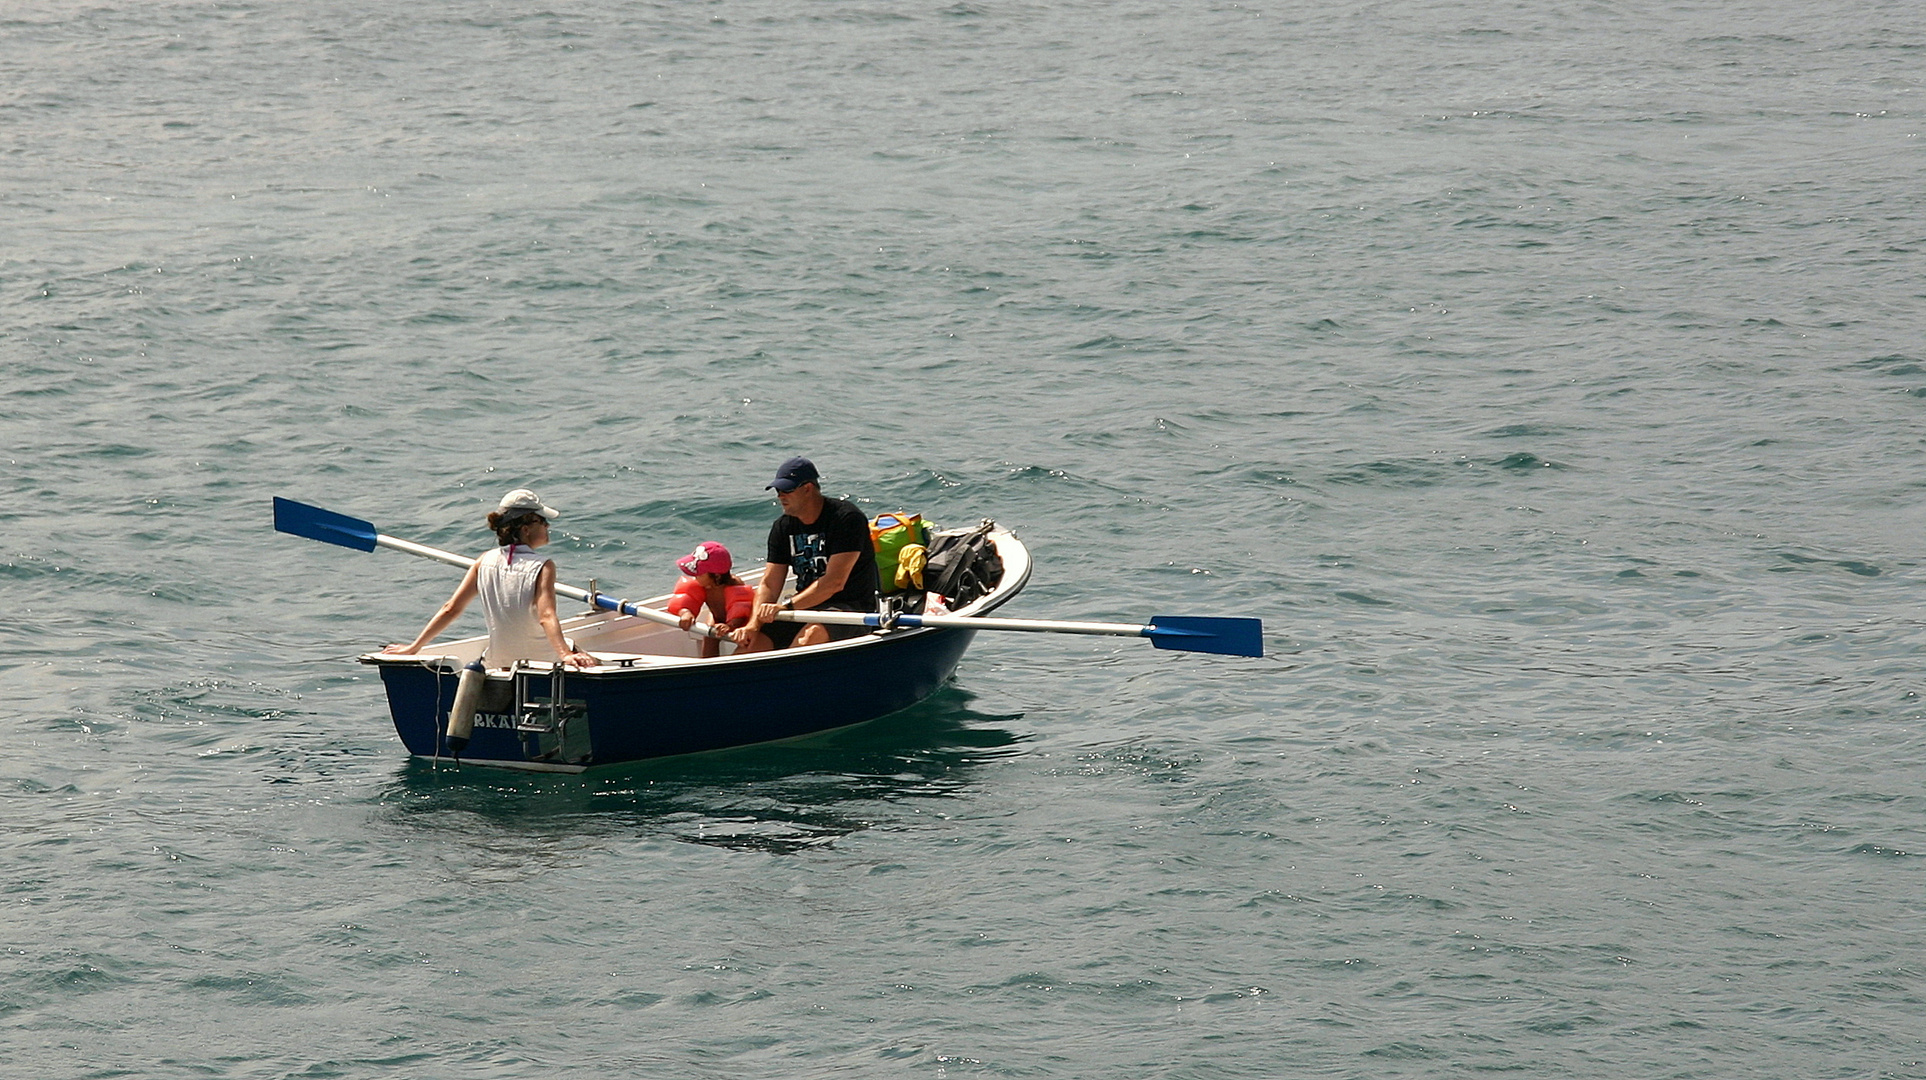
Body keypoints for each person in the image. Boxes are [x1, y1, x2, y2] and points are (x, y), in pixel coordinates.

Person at [383, 488, 597, 668]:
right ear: (526, 529)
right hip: (543, 659)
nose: (548, 526)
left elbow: (451, 609)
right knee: (591, 658)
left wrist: (413, 648)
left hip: (500, 659)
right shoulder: (543, 566)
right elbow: (546, 615)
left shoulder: (483, 561)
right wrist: (565, 654)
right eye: (543, 521)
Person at [733, 457, 880, 652]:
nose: (780, 497)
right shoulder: (783, 526)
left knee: (809, 638)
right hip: (805, 607)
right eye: (778, 491)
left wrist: (786, 607)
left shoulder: (846, 519)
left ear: (808, 488)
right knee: (751, 645)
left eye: (787, 490)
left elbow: (834, 583)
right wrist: (753, 625)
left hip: (850, 608)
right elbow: (769, 584)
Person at [665, 541, 755, 658]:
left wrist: (731, 625)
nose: (695, 577)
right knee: (709, 636)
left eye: (699, 574)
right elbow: (687, 599)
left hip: (741, 621)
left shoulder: (733, 584)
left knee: (746, 641)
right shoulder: (703, 584)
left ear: (716, 576)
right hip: (716, 618)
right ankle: (708, 662)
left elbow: (741, 609)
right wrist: (685, 613)